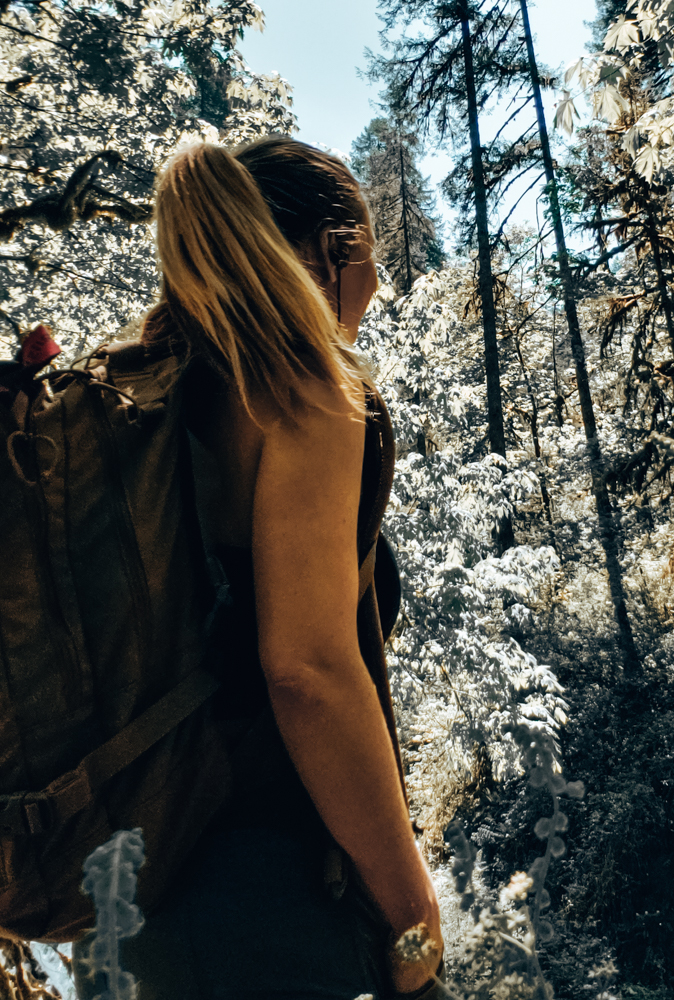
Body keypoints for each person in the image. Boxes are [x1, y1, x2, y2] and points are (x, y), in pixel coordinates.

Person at [70, 137, 443, 1000]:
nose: (379, 286)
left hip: (127, 909)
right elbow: (307, 673)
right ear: (331, 251)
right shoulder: (305, 392)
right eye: (369, 259)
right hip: (269, 905)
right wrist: (412, 911)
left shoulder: (137, 393)